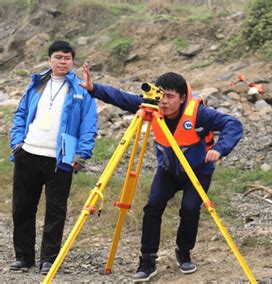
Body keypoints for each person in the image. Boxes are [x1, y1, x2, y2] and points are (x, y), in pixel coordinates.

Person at [80, 64, 243, 282]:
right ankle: (147, 260)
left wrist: (219, 149)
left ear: (182, 98)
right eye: (161, 95)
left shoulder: (199, 113)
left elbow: (233, 124)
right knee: (153, 206)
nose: (163, 101)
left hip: (197, 171)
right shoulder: (152, 106)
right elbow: (121, 98)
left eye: (170, 96)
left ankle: (183, 252)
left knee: (190, 209)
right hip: (168, 170)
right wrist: (94, 89)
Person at [9, 40, 98, 275]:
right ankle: (23, 257)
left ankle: (49, 259)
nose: (63, 61)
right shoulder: (36, 84)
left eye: (67, 58)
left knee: (56, 211)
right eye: (58, 57)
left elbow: (89, 125)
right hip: (28, 153)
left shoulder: (80, 90)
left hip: (61, 158)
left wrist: (82, 153)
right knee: (22, 208)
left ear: (73, 62)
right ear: (50, 60)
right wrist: (17, 143)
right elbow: (20, 114)